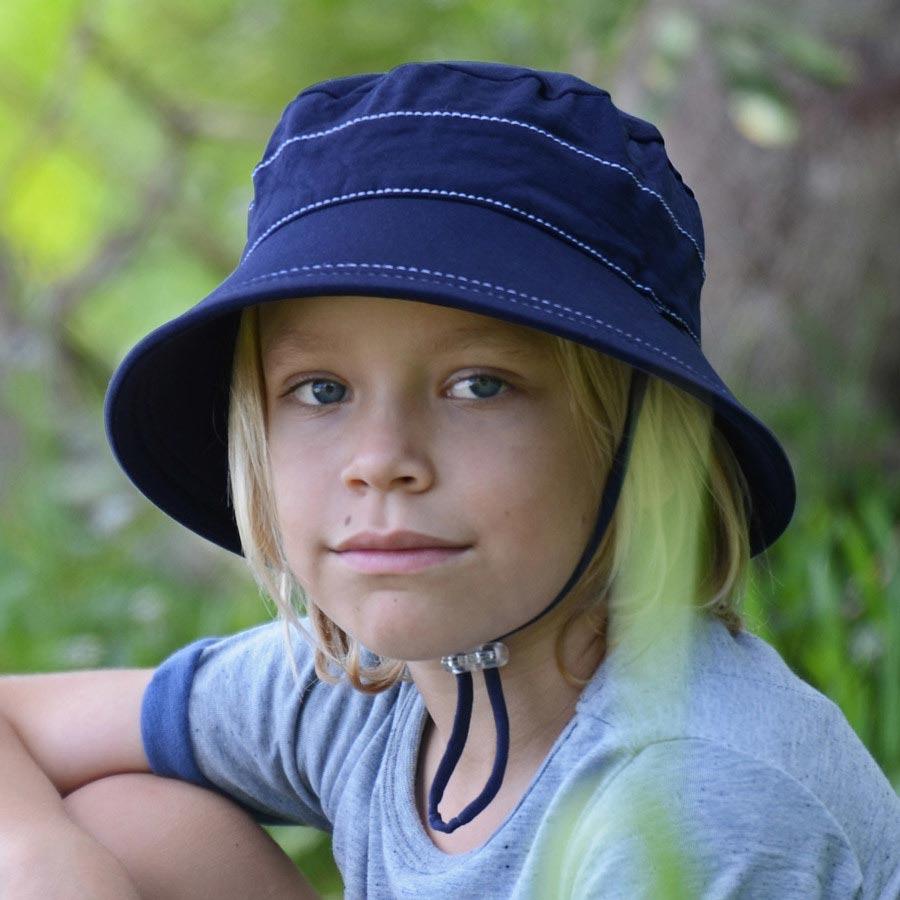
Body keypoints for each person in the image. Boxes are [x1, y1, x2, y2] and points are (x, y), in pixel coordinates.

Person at [1, 60, 898, 899]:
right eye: (321, 390)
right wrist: (42, 861)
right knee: (124, 829)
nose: (381, 458)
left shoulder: (690, 796)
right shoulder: (372, 686)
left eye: (480, 386)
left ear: (644, 454)